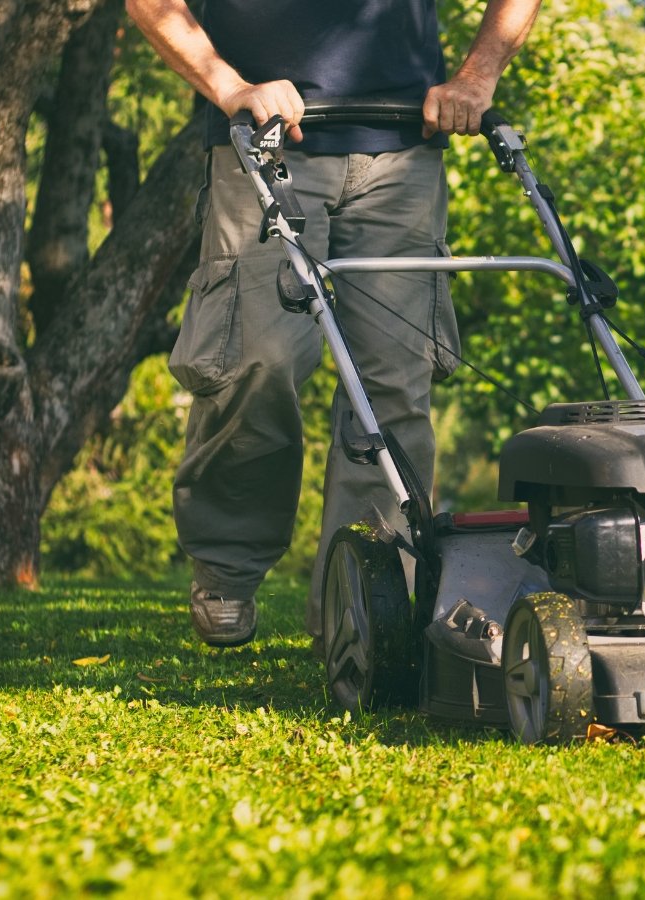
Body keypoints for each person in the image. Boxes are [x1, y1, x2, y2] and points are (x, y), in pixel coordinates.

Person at [126, 0, 542, 647]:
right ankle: (228, 565)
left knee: (395, 387)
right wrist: (230, 86)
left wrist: (477, 77)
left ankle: (362, 612)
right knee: (255, 359)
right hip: (264, 140)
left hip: (404, 147)